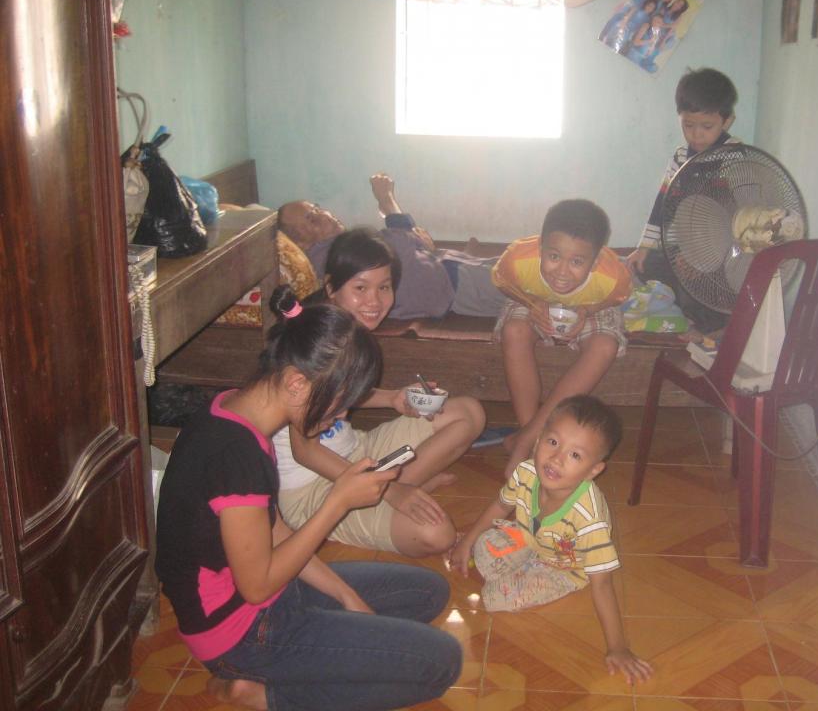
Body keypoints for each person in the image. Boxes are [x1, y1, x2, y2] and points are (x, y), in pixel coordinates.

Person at [155, 287, 462, 710]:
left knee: (428, 592)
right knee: (441, 663)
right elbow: (257, 586)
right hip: (240, 631)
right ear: (297, 383)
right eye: (340, 402)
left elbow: (276, 530)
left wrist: (346, 597)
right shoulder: (235, 456)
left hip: (274, 595)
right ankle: (261, 692)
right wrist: (338, 501)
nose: (343, 415)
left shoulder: (237, 411)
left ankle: (324, 643)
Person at [274, 228, 486, 557]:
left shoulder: (346, 332)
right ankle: (395, 491)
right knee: (437, 536)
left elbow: (338, 393)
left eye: (384, 287)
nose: (374, 301)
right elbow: (305, 452)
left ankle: (399, 488)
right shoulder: (311, 342)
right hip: (313, 486)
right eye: (360, 287)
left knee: (469, 412)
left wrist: (394, 398)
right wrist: (388, 490)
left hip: (357, 450)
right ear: (331, 287)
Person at [448, 396, 654, 686]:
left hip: (564, 569)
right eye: (553, 442)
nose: (556, 458)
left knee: (493, 598)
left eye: (575, 455)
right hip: (529, 538)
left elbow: (602, 584)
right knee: (483, 547)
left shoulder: (589, 518)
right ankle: (521, 564)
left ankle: (530, 571)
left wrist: (618, 647)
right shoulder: (526, 472)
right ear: (538, 440)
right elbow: (500, 505)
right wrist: (467, 541)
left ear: (593, 470)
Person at [491, 199, 632, 476]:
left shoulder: (613, 276)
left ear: (595, 261)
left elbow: (617, 297)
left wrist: (587, 311)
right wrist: (532, 303)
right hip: (533, 299)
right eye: (554, 257)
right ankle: (532, 438)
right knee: (514, 330)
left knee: (605, 345)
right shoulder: (517, 258)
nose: (563, 272)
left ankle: (526, 440)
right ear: (540, 247)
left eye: (577, 262)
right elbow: (502, 282)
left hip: (589, 306)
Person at [278, 175, 506, 319]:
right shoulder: (329, 259)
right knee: (521, 279)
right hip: (454, 285)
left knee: (517, 261)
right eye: (312, 218)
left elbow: (403, 241)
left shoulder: (338, 246)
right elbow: (399, 243)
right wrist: (386, 200)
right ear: (300, 243)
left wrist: (417, 242)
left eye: (318, 208)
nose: (326, 215)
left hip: (449, 268)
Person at [625, 67, 741, 331]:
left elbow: (737, 218)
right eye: (688, 125)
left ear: (727, 122)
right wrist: (644, 247)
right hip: (684, 249)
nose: (696, 134)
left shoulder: (734, 156)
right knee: (645, 263)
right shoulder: (680, 157)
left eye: (707, 127)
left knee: (709, 286)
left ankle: (705, 323)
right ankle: (685, 307)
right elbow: (662, 205)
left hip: (722, 253)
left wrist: (703, 260)